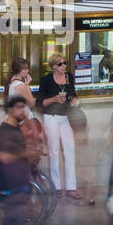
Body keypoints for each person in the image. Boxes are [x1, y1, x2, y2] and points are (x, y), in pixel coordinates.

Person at [38, 54, 82, 201]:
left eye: (65, 63)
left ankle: (71, 188)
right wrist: (55, 99)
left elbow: (73, 95)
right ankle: (56, 187)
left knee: (70, 150)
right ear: (53, 67)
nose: (64, 66)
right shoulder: (46, 80)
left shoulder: (69, 77)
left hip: (67, 118)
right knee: (54, 152)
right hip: (51, 117)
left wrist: (74, 101)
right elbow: (40, 103)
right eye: (60, 64)